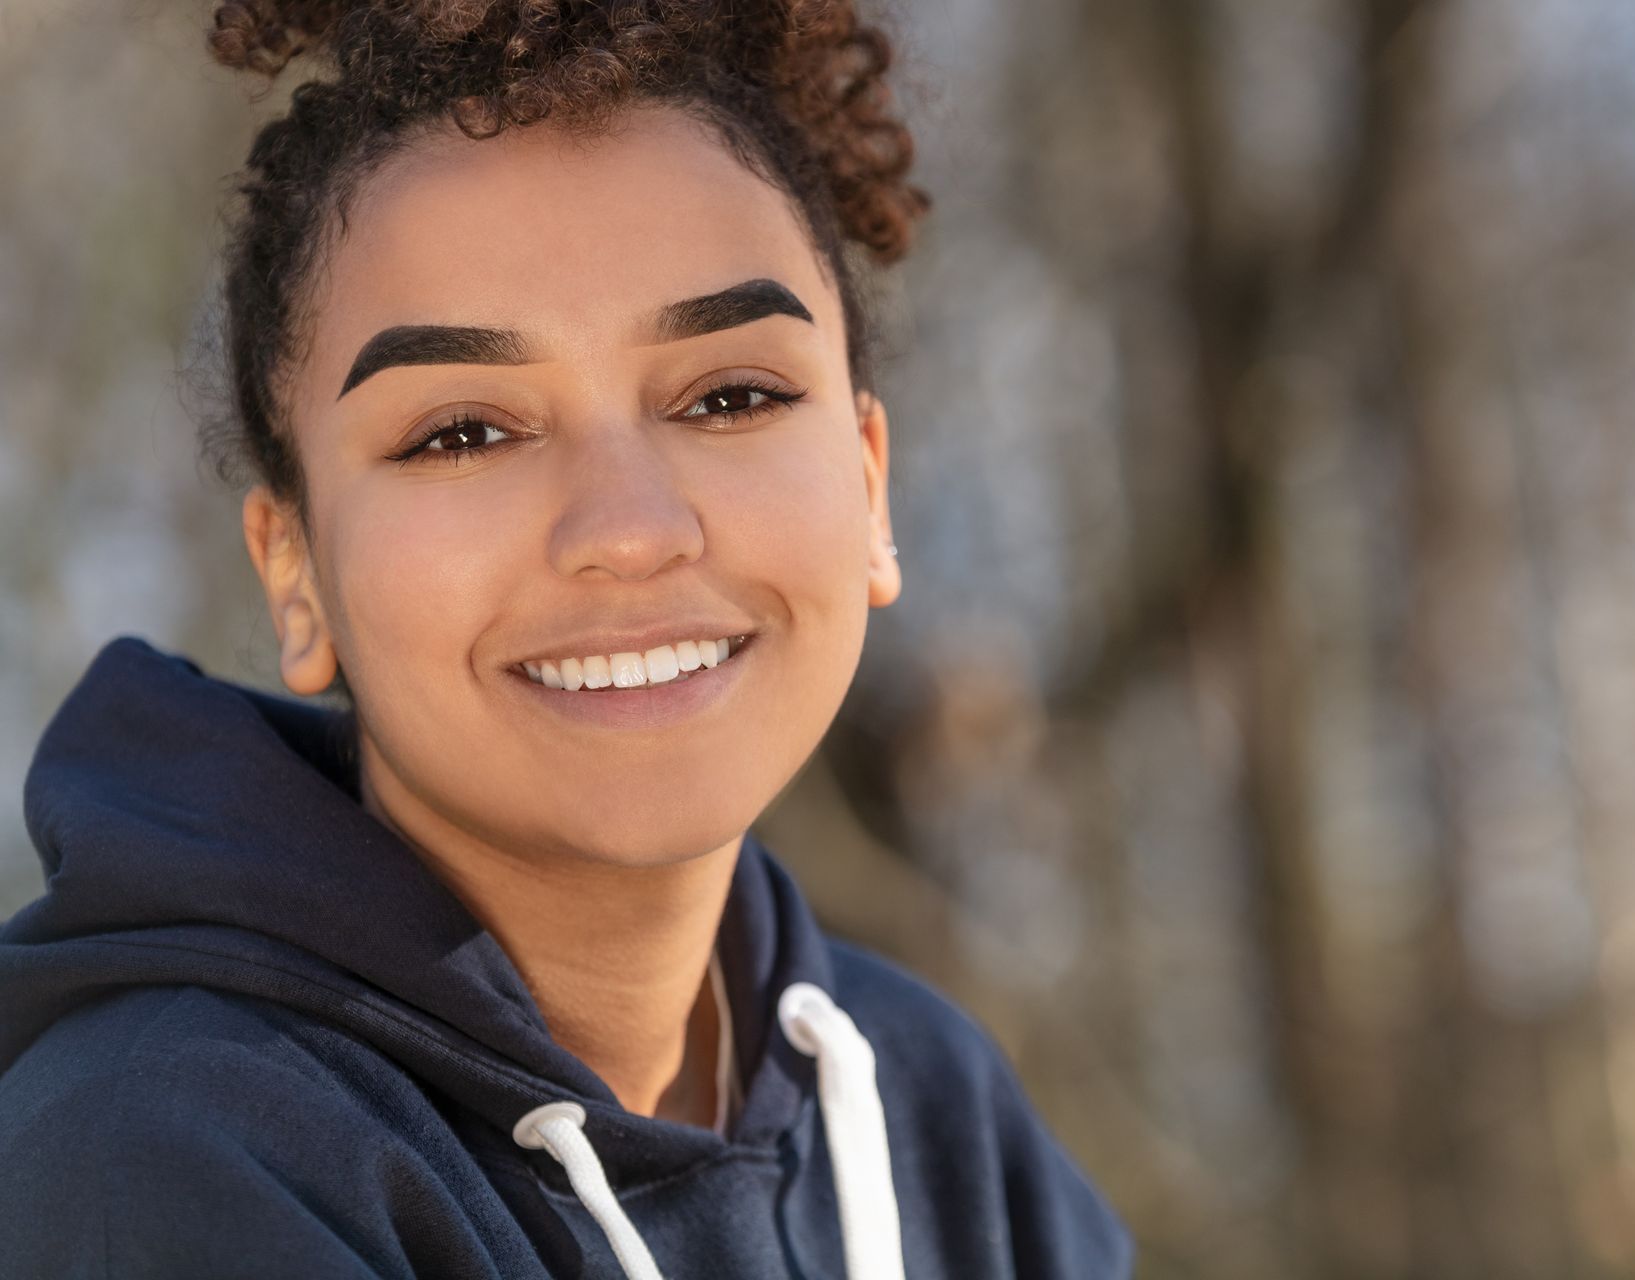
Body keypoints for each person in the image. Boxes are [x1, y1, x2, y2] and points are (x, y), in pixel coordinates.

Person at [0, 1, 1135, 1276]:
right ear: (296, 572)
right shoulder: (152, 1161)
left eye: (732, 395)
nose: (630, 527)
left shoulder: (932, 1110)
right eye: (464, 432)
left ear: (869, 488)